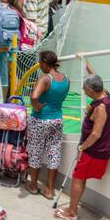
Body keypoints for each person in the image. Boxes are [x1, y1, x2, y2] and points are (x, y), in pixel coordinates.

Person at [55, 65, 110, 220]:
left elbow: (96, 134)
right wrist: (87, 66)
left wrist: (82, 146)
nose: (83, 91)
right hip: (94, 150)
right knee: (81, 178)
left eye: (84, 88)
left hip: (94, 151)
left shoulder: (101, 107)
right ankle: (72, 208)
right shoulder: (106, 94)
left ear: (91, 89)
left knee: (78, 178)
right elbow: (95, 78)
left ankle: (72, 212)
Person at [26, 49, 69, 198]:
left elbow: (34, 96)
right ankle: (50, 189)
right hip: (57, 119)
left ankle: (33, 185)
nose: (39, 65)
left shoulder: (45, 79)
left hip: (40, 120)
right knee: (54, 153)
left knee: (35, 152)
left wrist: (36, 106)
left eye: (40, 62)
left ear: (45, 63)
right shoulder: (65, 79)